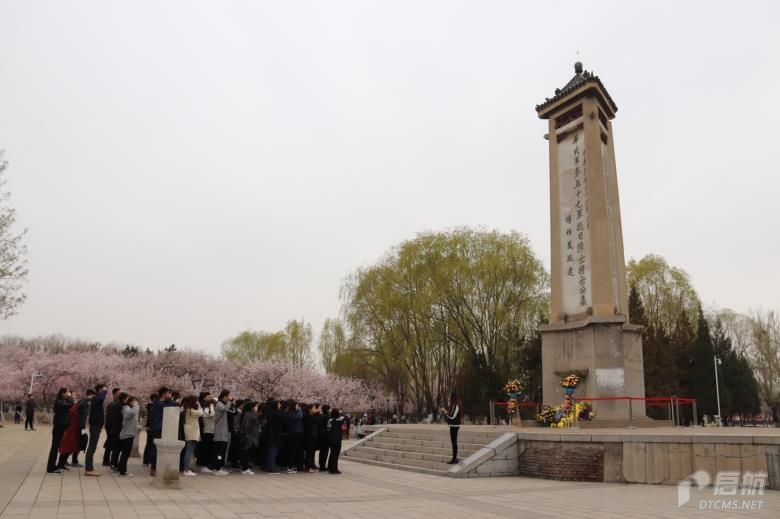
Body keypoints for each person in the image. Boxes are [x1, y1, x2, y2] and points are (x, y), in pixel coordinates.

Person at [149, 386, 176, 477]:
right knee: (157, 449)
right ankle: (155, 468)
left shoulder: (156, 403)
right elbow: (171, 408)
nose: (169, 395)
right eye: (168, 393)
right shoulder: (161, 404)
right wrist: (171, 400)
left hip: (155, 428)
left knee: (155, 448)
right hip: (160, 428)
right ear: (164, 394)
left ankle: (154, 468)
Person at [47, 388, 73, 474]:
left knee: (55, 447)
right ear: (62, 393)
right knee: (54, 447)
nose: (69, 394)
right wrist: (70, 397)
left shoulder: (61, 401)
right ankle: (51, 468)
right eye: (67, 392)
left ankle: (52, 466)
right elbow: (71, 404)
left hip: (60, 427)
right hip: (58, 428)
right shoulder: (59, 402)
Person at [84, 384, 108, 476]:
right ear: (99, 390)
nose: (105, 391)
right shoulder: (97, 398)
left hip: (96, 425)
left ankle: (90, 467)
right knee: (92, 446)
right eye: (103, 389)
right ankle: (88, 468)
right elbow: (102, 398)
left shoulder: (96, 398)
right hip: (95, 426)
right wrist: (104, 391)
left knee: (92, 446)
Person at [56, 392, 81, 471]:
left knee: (70, 447)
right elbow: (70, 413)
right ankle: (61, 464)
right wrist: (75, 405)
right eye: (73, 395)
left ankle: (62, 464)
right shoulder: (69, 406)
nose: (75, 397)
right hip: (69, 429)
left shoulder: (72, 405)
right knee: (66, 447)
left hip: (73, 429)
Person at [180, 395, 203, 476]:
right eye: (196, 401)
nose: (197, 402)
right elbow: (201, 413)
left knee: (188, 451)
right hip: (192, 432)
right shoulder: (191, 410)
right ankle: (186, 469)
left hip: (189, 432)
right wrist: (200, 406)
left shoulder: (187, 410)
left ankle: (186, 468)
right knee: (189, 452)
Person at [212, 390, 232, 475]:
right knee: (219, 450)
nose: (229, 397)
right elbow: (225, 409)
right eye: (228, 396)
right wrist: (229, 403)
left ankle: (220, 466)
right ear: (224, 396)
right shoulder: (219, 404)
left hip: (223, 431)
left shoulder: (223, 403)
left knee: (222, 450)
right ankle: (217, 467)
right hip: (219, 431)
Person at [118, 396, 139, 476]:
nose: (135, 403)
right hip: (127, 434)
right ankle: (123, 471)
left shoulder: (130, 409)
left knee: (125, 453)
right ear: (130, 402)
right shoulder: (127, 409)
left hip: (129, 433)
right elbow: (131, 414)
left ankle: (121, 469)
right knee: (125, 454)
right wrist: (136, 406)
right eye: (134, 401)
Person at [103, 388, 122, 469]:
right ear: (114, 394)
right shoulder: (112, 404)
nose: (119, 394)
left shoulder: (117, 403)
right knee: (111, 443)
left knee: (110, 443)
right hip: (111, 427)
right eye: (118, 393)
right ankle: (107, 460)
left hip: (112, 427)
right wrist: (111, 428)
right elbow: (110, 417)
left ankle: (107, 460)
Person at [262, 398, 283, 473]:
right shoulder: (276, 414)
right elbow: (282, 416)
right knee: (273, 450)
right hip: (274, 434)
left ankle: (270, 465)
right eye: (279, 404)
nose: (280, 405)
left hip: (271, 434)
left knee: (271, 450)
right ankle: (271, 466)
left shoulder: (269, 412)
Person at [239, 400, 260, 475]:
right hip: (250, 436)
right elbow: (247, 426)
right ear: (251, 408)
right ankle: (245, 468)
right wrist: (247, 434)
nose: (256, 408)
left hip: (249, 435)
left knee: (246, 452)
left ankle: (245, 467)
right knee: (246, 452)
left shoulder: (248, 414)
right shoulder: (250, 415)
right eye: (255, 406)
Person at [440, 392, 461, 464]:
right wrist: (445, 411)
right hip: (453, 426)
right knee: (453, 442)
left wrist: (445, 412)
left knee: (454, 442)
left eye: (450, 397)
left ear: (453, 398)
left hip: (455, 426)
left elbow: (452, 416)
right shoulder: (453, 405)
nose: (449, 399)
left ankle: (454, 459)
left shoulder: (456, 406)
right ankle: (454, 458)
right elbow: (451, 415)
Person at [197, 392, 215, 473]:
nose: (211, 398)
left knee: (208, 449)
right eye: (209, 397)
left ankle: (205, 465)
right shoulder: (205, 408)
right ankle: (203, 466)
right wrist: (211, 405)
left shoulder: (207, 407)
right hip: (206, 431)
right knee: (205, 449)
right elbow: (212, 414)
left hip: (210, 431)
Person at [326, 407, 345, 474]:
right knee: (335, 454)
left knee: (331, 453)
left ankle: (330, 467)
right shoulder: (338, 420)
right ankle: (334, 469)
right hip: (336, 439)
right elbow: (343, 418)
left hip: (330, 439)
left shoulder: (329, 419)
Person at [142, 393, 158, 466]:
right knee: (151, 445)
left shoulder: (150, 406)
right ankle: (149, 460)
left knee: (149, 444)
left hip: (149, 427)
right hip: (151, 427)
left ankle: (146, 461)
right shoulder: (152, 406)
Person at [302, 403, 318, 472]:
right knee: (309, 452)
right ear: (310, 409)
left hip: (311, 435)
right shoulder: (308, 416)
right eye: (314, 408)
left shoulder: (310, 415)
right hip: (309, 436)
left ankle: (308, 466)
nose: (316, 409)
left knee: (310, 452)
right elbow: (316, 420)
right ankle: (308, 467)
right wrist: (317, 413)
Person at [316, 404, 330, 472]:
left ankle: (321, 464)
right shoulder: (327, 417)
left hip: (319, 435)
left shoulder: (319, 416)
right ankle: (322, 466)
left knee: (321, 451)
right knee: (325, 451)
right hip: (326, 435)